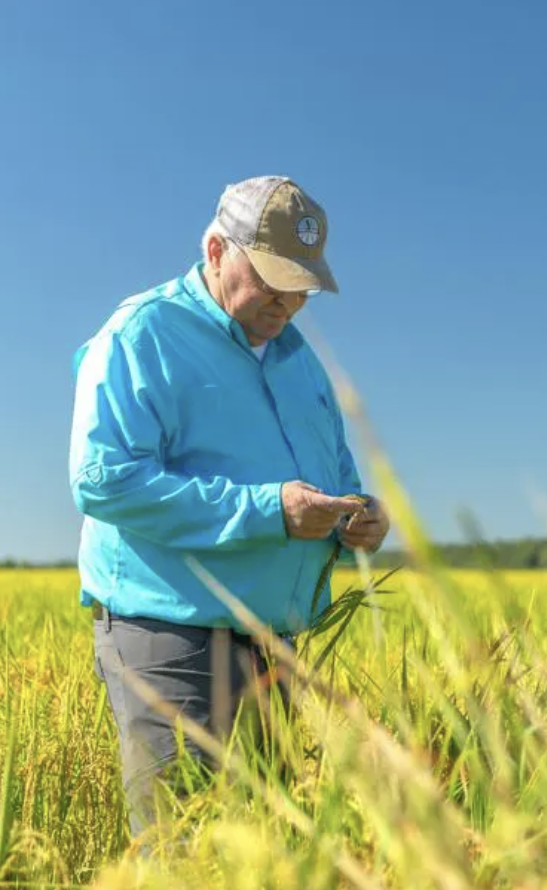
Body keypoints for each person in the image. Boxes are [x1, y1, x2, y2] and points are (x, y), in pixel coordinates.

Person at [67, 175, 390, 837]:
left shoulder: (302, 361)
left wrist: (359, 516)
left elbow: (336, 471)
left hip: (274, 643)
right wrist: (269, 511)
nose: (289, 300)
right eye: (272, 276)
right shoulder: (141, 335)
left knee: (267, 850)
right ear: (216, 250)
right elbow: (105, 481)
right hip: (171, 637)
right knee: (184, 852)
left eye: (302, 284)